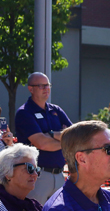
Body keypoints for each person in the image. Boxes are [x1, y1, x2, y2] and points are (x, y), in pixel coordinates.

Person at [15, 72, 72, 203]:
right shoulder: (24, 112)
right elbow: (42, 144)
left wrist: (53, 134)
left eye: (48, 85)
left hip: (59, 175)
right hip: (36, 176)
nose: (46, 89)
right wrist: (64, 140)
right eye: (41, 86)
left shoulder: (56, 110)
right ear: (31, 89)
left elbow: (74, 136)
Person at [0, 145, 43, 211]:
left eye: (36, 169)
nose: (35, 174)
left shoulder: (34, 206)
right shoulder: (2, 207)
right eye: (30, 168)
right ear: (8, 173)